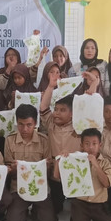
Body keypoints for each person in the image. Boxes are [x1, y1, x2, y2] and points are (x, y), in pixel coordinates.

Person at [54, 128, 111, 221]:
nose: (91, 147)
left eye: (94, 144)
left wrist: (95, 164)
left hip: (99, 203)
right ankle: (77, 219)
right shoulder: (74, 159)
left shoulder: (106, 163)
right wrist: (59, 160)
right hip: (81, 202)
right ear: (81, 145)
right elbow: (57, 176)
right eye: (87, 144)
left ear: (100, 145)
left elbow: (106, 184)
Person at [4, 105, 58, 221]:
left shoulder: (44, 140)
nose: (25, 129)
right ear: (16, 122)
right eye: (21, 124)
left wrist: (47, 167)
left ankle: (36, 210)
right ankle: (21, 211)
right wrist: (13, 168)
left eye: (29, 124)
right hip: (18, 188)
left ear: (35, 123)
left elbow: (49, 171)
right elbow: (8, 170)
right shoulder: (10, 140)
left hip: (40, 187)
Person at [41, 79, 83, 213]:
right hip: (55, 171)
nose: (57, 113)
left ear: (72, 114)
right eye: (56, 109)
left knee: (77, 206)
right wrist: (50, 86)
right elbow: (43, 108)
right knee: (56, 208)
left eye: (62, 110)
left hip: (74, 170)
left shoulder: (79, 127)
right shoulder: (51, 124)